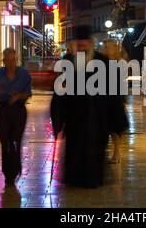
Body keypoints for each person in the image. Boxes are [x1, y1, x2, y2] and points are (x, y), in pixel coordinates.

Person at [50, 25, 128, 188]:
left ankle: (92, 179)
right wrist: (57, 117)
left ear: (91, 43)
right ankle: (75, 178)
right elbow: (59, 92)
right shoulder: (68, 62)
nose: (82, 45)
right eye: (79, 43)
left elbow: (112, 92)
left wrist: (117, 118)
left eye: (85, 42)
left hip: (96, 115)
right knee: (75, 147)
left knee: (95, 148)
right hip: (74, 116)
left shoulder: (103, 62)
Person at [0, 48, 32, 185]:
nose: (11, 63)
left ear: (16, 60)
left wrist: (19, 96)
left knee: (15, 141)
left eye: (13, 60)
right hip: (3, 109)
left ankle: (15, 169)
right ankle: (7, 172)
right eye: (8, 60)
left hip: (18, 109)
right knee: (5, 141)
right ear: (4, 61)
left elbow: (28, 93)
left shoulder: (24, 74)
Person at [102, 39, 129, 164]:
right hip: (104, 97)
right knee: (106, 126)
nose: (106, 49)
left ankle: (116, 152)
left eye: (108, 47)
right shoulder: (102, 62)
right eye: (105, 47)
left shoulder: (120, 63)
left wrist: (123, 99)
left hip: (115, 98)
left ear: (115, 48)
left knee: (114, 127)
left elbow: (122, 82)